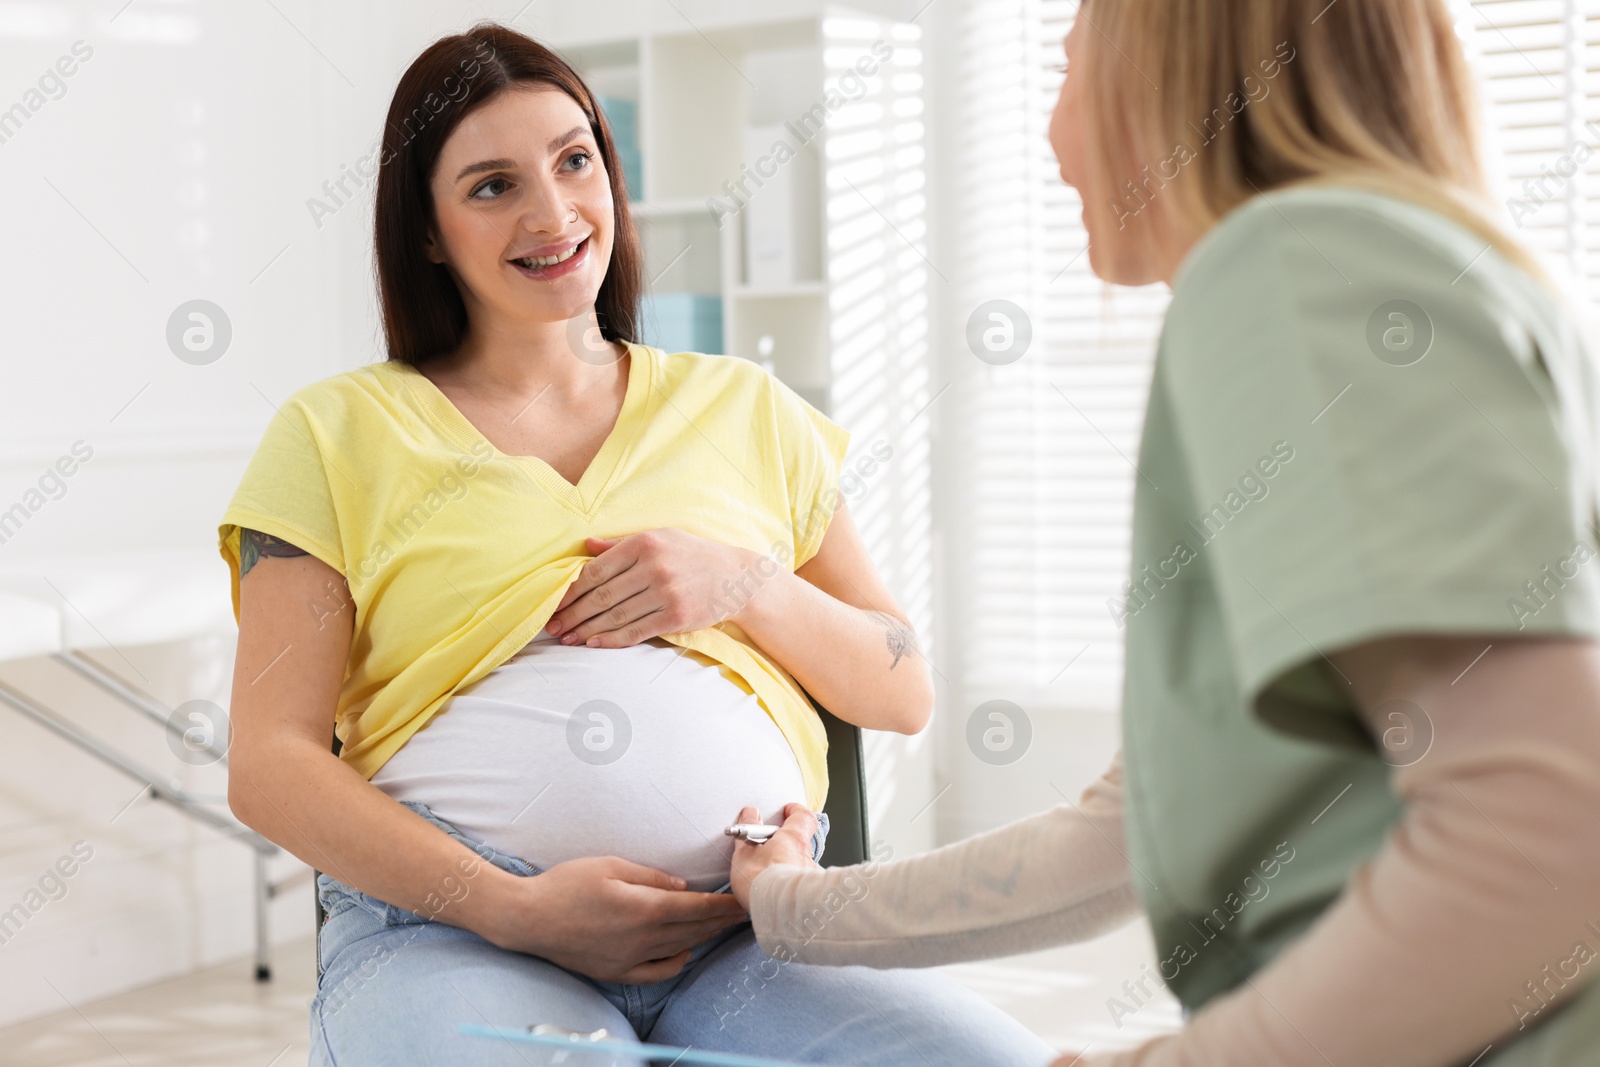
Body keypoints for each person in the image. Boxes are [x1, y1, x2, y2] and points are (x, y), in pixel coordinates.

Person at [730, 2, 1600, 1063]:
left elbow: (1549, 829)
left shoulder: (1293, 264)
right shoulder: (1441, 273)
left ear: (1165, 69)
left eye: (1064, 69)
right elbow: (1118, 838)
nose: (1050, 140)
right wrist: (789, 905)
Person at [220, 21, 1053, 1067]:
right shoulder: (335, 433)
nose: (554, 211)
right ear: (426, 231)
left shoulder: (747, 408)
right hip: (451, 933)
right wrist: (512, 905)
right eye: (492, 185)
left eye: (575, 161)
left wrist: (742, 581)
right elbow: (269, 762)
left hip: (743, 933)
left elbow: (901, 687)